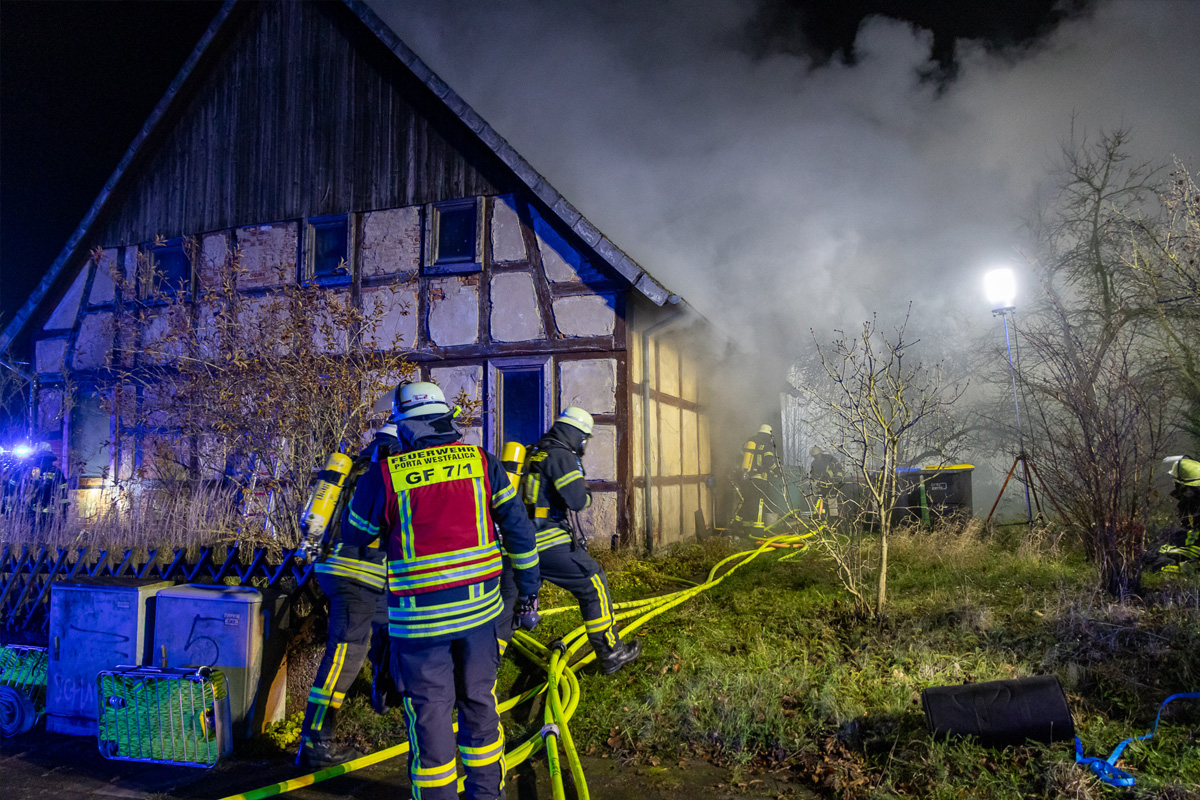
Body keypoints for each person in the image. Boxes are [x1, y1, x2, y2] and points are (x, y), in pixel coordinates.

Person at [341, 382, 541, 800]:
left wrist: (373, 480)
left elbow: (355, 534)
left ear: (409, 427)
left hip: (419, 628)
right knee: (479, 704)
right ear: (445, 418)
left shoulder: (385, 475)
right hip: (479, 618)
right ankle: (487, 794)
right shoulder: (483, 463)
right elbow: (519, 531)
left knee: (430, 716)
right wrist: (528, 592)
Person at [497, 407, 641, 674]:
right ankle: (610, 653)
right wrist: (586, 494)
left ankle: (481, 671)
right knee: (593, 581)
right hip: (547, 541)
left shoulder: (533, 451)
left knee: (506, 605)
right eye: (584, 438)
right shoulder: (562, 455)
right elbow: (576, 500)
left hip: (515, 543)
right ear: (577, 435)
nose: (584, 445)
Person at [295, 424, 396, 769]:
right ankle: (315, 743)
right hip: (358, 575)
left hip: (344, 570)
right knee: (343, 657)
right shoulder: (388, 472)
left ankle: (385, 693)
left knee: (392, 629)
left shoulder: (352, 468)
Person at [731, 424, 785, 530]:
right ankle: (758, 528)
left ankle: (742, 525)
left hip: (747, 478)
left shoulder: (750, 443)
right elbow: (769, 460)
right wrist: (777, 471)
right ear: (769, 435)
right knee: (760, 502)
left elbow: (739, 459)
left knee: (748, 500)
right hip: (760, 479)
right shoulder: (766, 445)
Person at [809, 445, 844, 516]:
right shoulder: (814, 464)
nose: (816, 457)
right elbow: (814, 477)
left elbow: (838, 468)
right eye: (814, 456)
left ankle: (834, 518)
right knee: (821, 503)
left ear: (820, 453)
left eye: (817, 455)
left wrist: (837, 478)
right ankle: (822, 517)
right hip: (823, 486)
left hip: (833, 484)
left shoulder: (829, 459)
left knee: (832, 502)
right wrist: (818, 487)